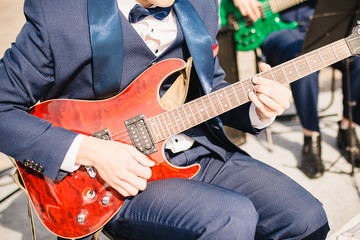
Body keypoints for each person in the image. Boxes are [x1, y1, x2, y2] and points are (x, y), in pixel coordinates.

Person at [0, 0, 329, 239]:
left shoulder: (201, 4)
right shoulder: (59, 13)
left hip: (197, 151)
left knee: (307, 218)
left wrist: (259, 109)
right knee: (231, 219)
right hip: (113, 179)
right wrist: (90, 151)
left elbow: (211, 86)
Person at [232, 0, 360, 179]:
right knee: (303, 61)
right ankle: (311, 137)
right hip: (275, 27)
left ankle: (348, 127)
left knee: (357, 59)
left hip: (322, 24)